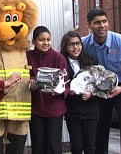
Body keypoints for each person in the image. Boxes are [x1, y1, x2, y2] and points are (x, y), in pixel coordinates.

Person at [81, 8, 121, 154]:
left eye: (104, 21)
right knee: (100, 128)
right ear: (88, 25)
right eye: (97, 23)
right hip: (98, 90)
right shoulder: (83, 44)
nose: (102, 25)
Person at [26, 26, 69, 154]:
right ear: (33, 42)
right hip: (36, 108)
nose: (46, 43)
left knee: (53, 145)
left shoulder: (58, 58)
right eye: (41, 40)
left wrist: (60, 89)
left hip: (54, 109)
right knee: (38, 144)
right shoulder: (27, 56)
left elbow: (65, 82)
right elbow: (24, 77)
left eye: (48, 40)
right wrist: (31, 82)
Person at [60, 30, 99, 154]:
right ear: (66, 47)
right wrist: (67, 91)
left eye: (78, 43)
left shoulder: (91, 61)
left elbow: (101, 83)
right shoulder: (61, 63)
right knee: (76, 146)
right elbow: (58, 85)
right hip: (73, 110)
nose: (75, 47)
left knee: (90, 146)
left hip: (91, 108)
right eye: (71, 44)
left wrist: (91, 93)